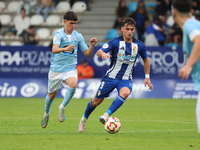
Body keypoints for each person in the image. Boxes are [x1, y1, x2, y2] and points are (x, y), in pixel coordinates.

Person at [78, 17, 153, 132]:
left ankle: (106, 115)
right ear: (122, 29)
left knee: (125, 92)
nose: (129, 32)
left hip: (125, 79)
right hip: (110, 78)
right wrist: (102, 54)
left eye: (132, 29)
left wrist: (147, 77)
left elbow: (146, 60)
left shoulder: (139, 45)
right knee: (96, 101)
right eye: (127, 29)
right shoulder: (115, 42)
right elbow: (99, 51)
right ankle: (84, 119)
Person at [41, 11, 97, 128]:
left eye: (75, 23)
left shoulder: (78, 36)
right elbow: (54, 49)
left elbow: (87, 54)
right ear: (64, 22)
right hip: (56, 69)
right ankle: (47, 112)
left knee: (73, 83)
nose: (73, 26)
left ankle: (62, 107)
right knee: (52, 95)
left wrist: (91, 45)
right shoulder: (59, 34)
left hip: (70, 68)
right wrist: (65, 48)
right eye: (71, 23)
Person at [172, 0, 200, 134]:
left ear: (174, 13)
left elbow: (199, 40)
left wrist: (188, 65)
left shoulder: (189, 24)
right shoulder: (194, 24)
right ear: (191, 11)